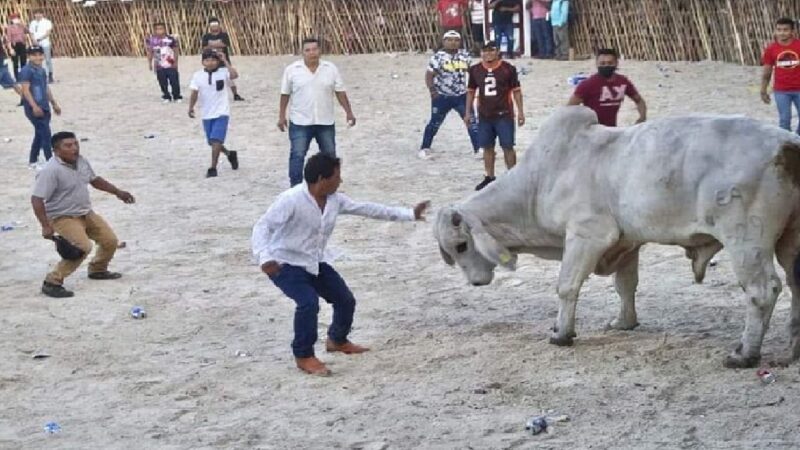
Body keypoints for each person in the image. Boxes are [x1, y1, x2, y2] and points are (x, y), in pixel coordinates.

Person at [251, 153, 428, 376]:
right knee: (308, 303)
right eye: (336, 177)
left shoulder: (334, 200)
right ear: (321, 179)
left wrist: (409, 214)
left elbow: (368, 209)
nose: (340, 181)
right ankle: (303, 355)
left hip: (314, 261)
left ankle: (337, 339)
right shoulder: (291, 199)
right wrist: (264, 257)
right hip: (284, 263)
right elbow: (262, 227)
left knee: (345, 300)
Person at [31, 131, 135, 298]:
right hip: (63, 217)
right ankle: (52, 281)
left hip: (85, 212)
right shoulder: (50, 170)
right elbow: (36, 199)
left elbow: (94, 180)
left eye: (76, 144)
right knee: (81, 248)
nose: (74, 148)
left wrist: (118, 192)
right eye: (68, 145)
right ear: (56, 150)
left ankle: (97, 269)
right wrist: (45, 225)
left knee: (110, 240)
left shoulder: (81, 161)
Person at [278, 37, 356, 187]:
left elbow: (340, 92)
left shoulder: (330, 69)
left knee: (330, 156)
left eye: (314, 49)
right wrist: (282, 116)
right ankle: (295, 187)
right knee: (297, 156)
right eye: (308, 50)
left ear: (320, 50)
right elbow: (285, 94)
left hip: (325, 121)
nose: (312, 53)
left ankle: (330, 185)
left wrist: (349, 112)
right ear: (302, 52)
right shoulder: (292, 70)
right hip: (300, 121)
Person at [465, 41, 524, 191]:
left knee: (508, 146)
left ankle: (513, 176)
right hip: (484, 115)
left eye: (491, 50)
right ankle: (489, 176)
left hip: (504, 114)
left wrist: (520, 111)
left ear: (497, 52)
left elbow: (516, 91)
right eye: (485, 51)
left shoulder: (508, 69)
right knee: (487, 147)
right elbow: (471, 91)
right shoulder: (475, 70)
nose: (488, 54)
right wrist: (468, 112)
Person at [419, 31, 479, 160]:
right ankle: (425, 148)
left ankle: (478, 149)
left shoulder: (465, 56)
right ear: (444, 42)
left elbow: (473, 73)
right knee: (434, 123)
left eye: (456, 40)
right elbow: (429, 75)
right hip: (442, 96)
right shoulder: (438, 57)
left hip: (461, 96)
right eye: (450, 40)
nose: (453, 43)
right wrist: (433, 91)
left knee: (471, 122)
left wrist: (474, 89)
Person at [188, 50, 240, 178]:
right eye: (207, 60)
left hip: (222, 112)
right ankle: (229, 154)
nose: (210, 63)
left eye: (213, 60)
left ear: (217, 61)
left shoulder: (223, 72)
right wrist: (191, 107)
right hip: (206, 113)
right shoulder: (198, 75)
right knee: (212, 142)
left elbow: (234, 75)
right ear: (202, 62)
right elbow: (194, 92)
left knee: (216, 140)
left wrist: (225, 61)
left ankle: (213, 167)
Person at [567, 48, 647, 127]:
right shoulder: (588, 84)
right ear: (597, 64)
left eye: (610, 63)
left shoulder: (623, 81)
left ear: (616, 63)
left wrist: (642, 117)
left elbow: (639, 100)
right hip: (591, 129)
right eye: (602, 63)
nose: (606, 66)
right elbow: (569, 109)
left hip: (611, 129)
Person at [19, 46, 60, 169]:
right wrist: (34, 106)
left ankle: (33, 161)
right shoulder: (26, 71)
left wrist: (54, 103)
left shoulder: (41, 70)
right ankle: (50, 163)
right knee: (46, 134)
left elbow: (46, 88)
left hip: (44, 106)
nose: (37, 57)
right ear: (29, 56)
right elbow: (25, 91)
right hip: (33, 108)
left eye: (39, 54)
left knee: (40, 134)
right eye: (34, 55)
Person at [761, 17, 800, 134]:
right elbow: (767, 71)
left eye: (785, 30)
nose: (782, 33)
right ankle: (786, 143)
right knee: (784, 120)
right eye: (779, 29)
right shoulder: (771, 49)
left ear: (792, 31)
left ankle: (796, 139)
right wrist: (763, 90)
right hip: (781, 91)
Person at [201, 18, 244, 101]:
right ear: (209, 26)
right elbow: (205, 47)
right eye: (212, 25)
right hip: (211, 60)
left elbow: (224, 44)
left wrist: (211, 44)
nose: (214, 27)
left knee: (229, 78)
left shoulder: (224, 35)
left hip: (223, 60)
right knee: (212, 78)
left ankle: (235, 94)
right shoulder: (206, 36)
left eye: (216, 25)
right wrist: (217, 44)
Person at [145, 22, 182, 103]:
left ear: (165, 29)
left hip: (170, 62)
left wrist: (175, 62)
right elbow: (150, 52)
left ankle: (176, 96)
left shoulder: (171, 39)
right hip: (159, 64)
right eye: (157, 29)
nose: (159, 31)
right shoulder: (152, 40)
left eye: (161, 29)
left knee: (174, 81)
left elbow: (175, 50)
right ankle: (166, 96)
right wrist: (150, 63)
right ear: (154, 30)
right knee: (162, 81)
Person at [28, 9, 53, 82]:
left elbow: (48, 33)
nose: (38, 15)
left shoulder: (47, 22)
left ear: (42, 14)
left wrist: (39, 39)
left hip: (45, 42)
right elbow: (31, 33)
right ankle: (39, 75)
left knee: (47, 59)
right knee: (37, 59)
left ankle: (50, 74)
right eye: (36, 14)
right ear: (34, 15)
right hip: (36, 43)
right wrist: (34, 40)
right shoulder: (33, 23)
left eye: (39, 13)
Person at [6, 13, 28, 80]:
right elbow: (9, 39)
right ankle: (17, 77)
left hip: (22, 44)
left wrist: (23, 25)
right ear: (11, 20)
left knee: (23, 61)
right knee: (15, 62)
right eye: (14, 18)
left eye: (17, 18)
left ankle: (24, 76)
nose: (16, 19)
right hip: (14, 45)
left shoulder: (22, 26)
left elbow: (28, 31)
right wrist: (10, 49)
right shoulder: (9, 28)